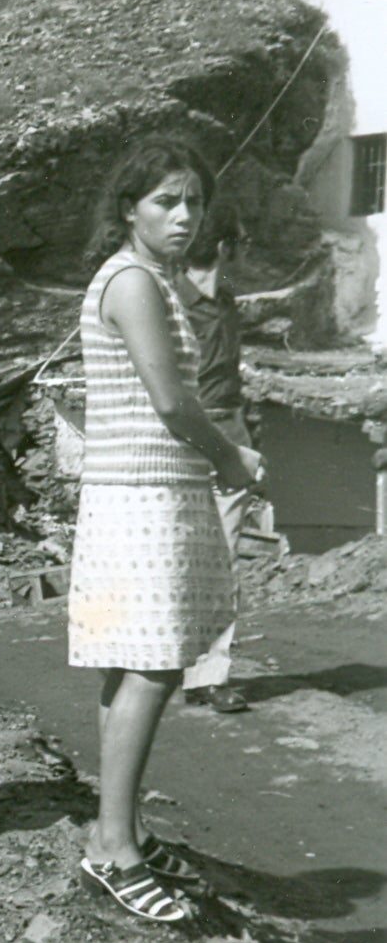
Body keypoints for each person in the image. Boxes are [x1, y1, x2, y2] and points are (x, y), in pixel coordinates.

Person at [69, 137, 264, 923]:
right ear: (128, 209)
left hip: (138, 492)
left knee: (130, 670)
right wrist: (234, 460)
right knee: (151, 669)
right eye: (165, 202)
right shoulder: (133, 283)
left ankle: (124, 831)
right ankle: (111, 848)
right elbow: (172, 404)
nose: (184, 216)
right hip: (142, 499)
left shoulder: (146, 277)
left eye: (192, 201)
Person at [180, 201, 255, 714]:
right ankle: (175, 669)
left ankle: (207, 674)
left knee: (220, 564)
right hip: (184, 439)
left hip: (228, 431)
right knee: (178, 562)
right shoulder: (170, 301)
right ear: (225, 247)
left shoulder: (224, 300)